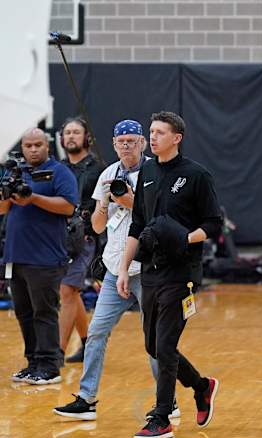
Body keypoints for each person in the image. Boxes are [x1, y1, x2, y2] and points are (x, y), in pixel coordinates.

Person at [54, 119, 173, 420]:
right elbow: (96, 226)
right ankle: (86, 398)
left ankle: (167, 402)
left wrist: (130, 201)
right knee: (95, 333)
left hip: (148, 269)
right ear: (113, 144)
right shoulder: (108, 174)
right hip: (114, 267)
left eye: (133, 141)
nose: (127, 147)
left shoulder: (156, 172)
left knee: (154, 339)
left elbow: (160, 218)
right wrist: (106, 202)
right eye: (122, 142)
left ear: (143, 143)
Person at [117, 111, 222, 438]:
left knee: (165, 343)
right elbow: (137, 225)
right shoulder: (146, 171)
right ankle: (202, 386)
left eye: (160, 132)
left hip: (183, 273)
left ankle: (161, 416)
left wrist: (185, 238)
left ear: (177, 138)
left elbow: (213, 224)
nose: (154, 137)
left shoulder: (197, 175)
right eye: (152, 132)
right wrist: (124, 268)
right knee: (153, 344)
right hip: (150, 270)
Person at [2, 128, 78, 385]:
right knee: (23, 312)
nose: (33, 150)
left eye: (38, 145)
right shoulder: (16, 173)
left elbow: (68, 206)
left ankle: (50, 365)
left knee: (43, 312)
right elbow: (3, 209)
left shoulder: (60, 172)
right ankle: (33, 362)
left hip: (45, 256)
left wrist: (33, 198)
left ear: (47, 146)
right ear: (22, 148)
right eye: (28, 146)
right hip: (16, 255)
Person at [59, 117, 105, 363]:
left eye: (76, 132)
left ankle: (56, 353)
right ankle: (88, 344)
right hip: (59, 237)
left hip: (86, 237)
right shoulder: (57, 167)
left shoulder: (98, 168)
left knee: (67, 289)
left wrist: (92, 228)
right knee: (70, 292)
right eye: (67, 133)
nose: (71, 137)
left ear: (86, 137)